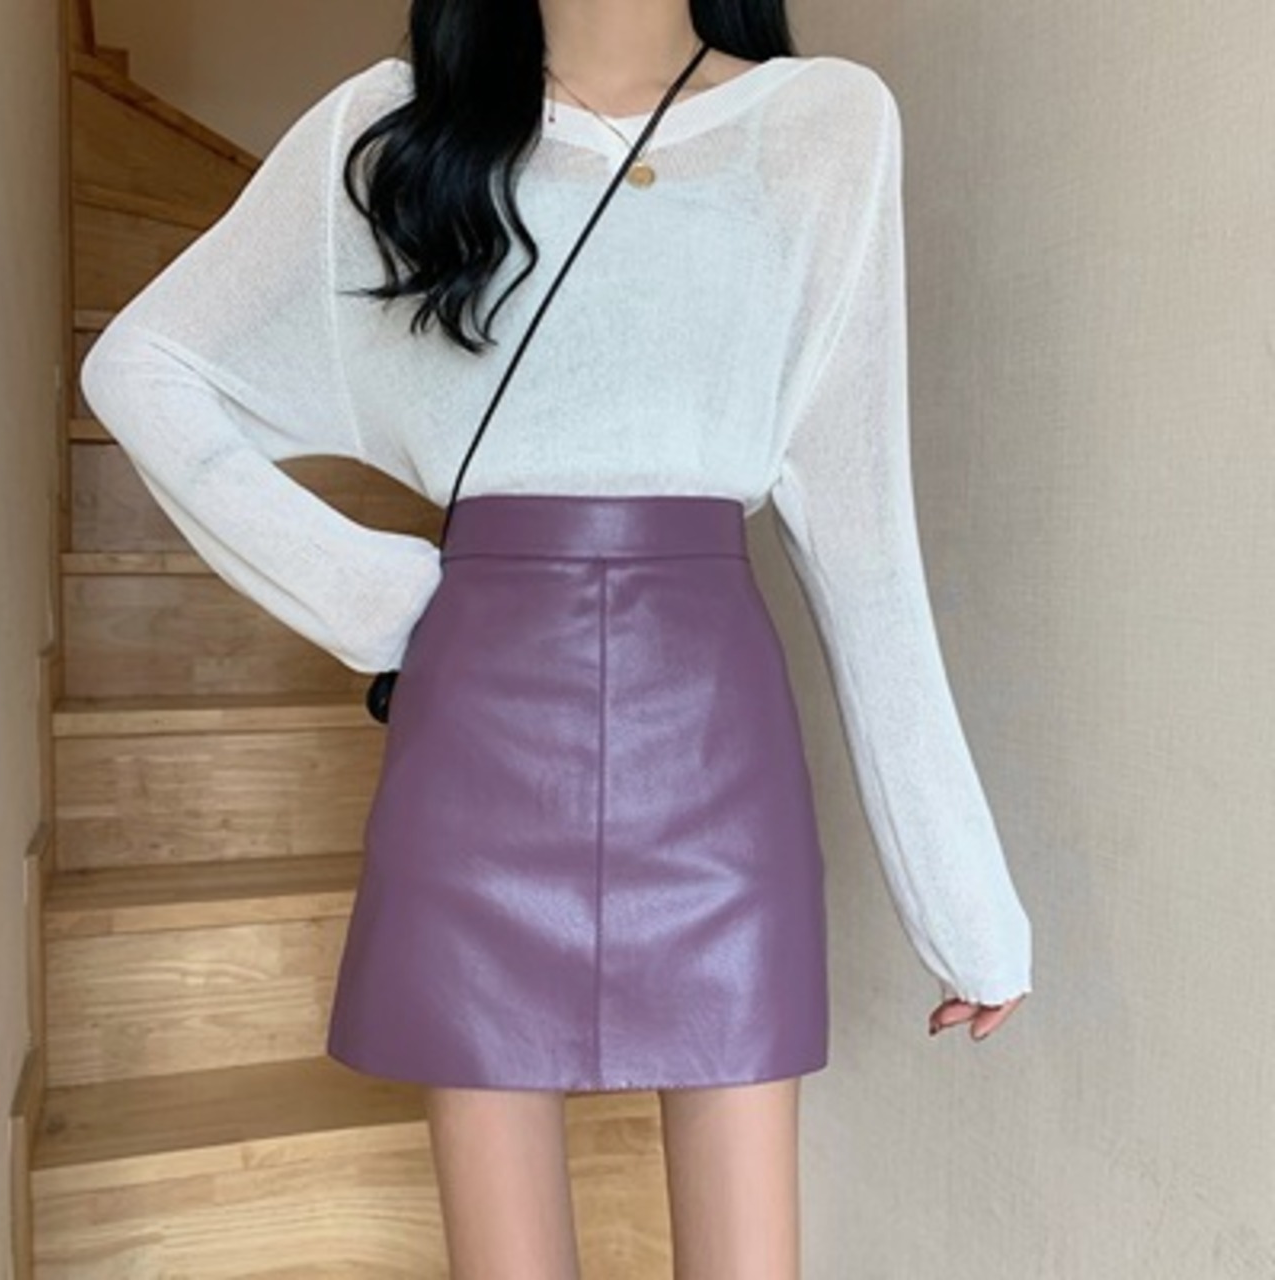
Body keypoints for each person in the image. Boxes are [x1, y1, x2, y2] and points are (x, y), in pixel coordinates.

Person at [80, 1, 1033, 1276]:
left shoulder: (821, 124)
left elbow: (864, 539)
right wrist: (363, 590)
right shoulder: (394, 127)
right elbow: (142, 366)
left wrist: (963, 899)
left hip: (711, 738)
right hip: (477, 725)